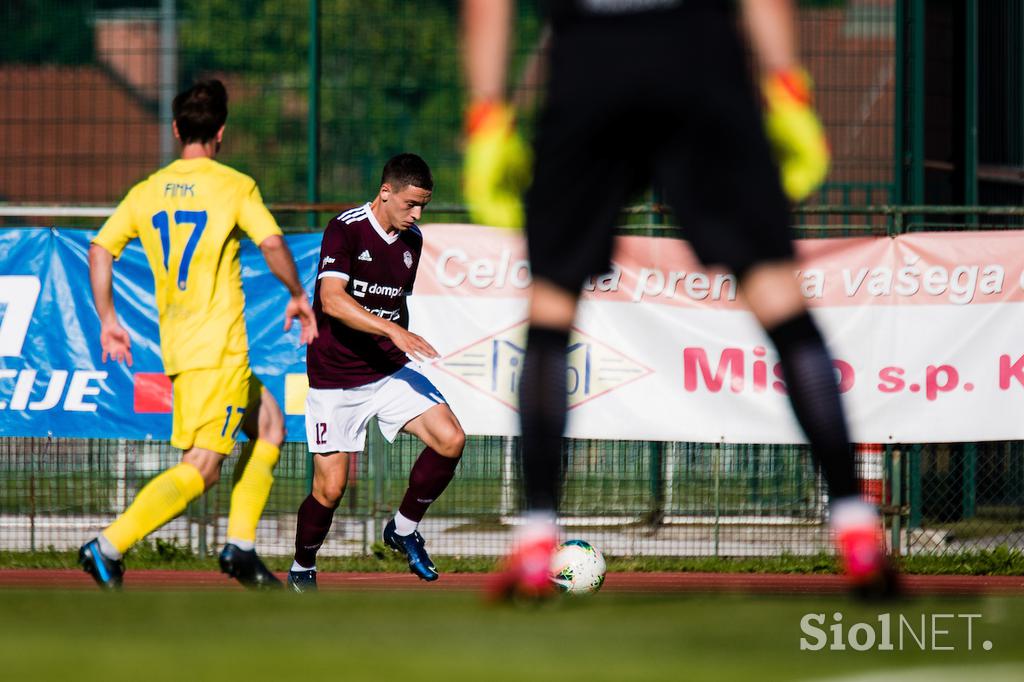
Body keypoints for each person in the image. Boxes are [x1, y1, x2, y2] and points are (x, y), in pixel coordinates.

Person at [462, 0, 895, 599]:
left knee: (552, 306)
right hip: (700, 52)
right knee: (776, 293)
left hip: (590, 59)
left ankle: (537, 541)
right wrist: (788, 84)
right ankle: (857, 530)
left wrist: (486, 114)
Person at [79, 79, 317, 590]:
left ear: (175, 128)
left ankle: (241, 547)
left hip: (184, 347)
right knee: (204, 467)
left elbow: (99, 250)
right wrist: (298, 294)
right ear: (222, 132)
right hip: (219, 350)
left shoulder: (148, 190)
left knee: (270, 426)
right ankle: (108, 545)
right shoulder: (233, 185)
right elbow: (272, 241)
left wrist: (108, 318)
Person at [287, 153, 465, 592]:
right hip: (335, 379)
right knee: (330, 491)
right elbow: (331, 300)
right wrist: (393, 330)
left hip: (385, 372)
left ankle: (403, 529)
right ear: (386, 192)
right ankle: (302, 567)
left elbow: (394, 300)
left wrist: (394, 336)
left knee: (451, 439)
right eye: (410, 203)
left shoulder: (412, 239)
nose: (417, 214)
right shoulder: (345, 229)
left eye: (423, 205)